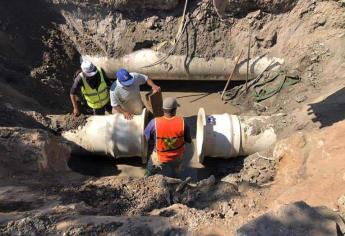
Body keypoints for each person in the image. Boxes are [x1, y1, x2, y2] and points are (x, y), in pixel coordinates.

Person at [144, 97, 192, 178]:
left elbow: (145, 139)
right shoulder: (183, 122)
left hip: (159, 157)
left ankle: (147, 178)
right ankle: (176, 179)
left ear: (163, 109)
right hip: (177, 156)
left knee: (150, 172)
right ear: (175, 109)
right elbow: (188, 140)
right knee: (176, 171)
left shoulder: (154, 123)